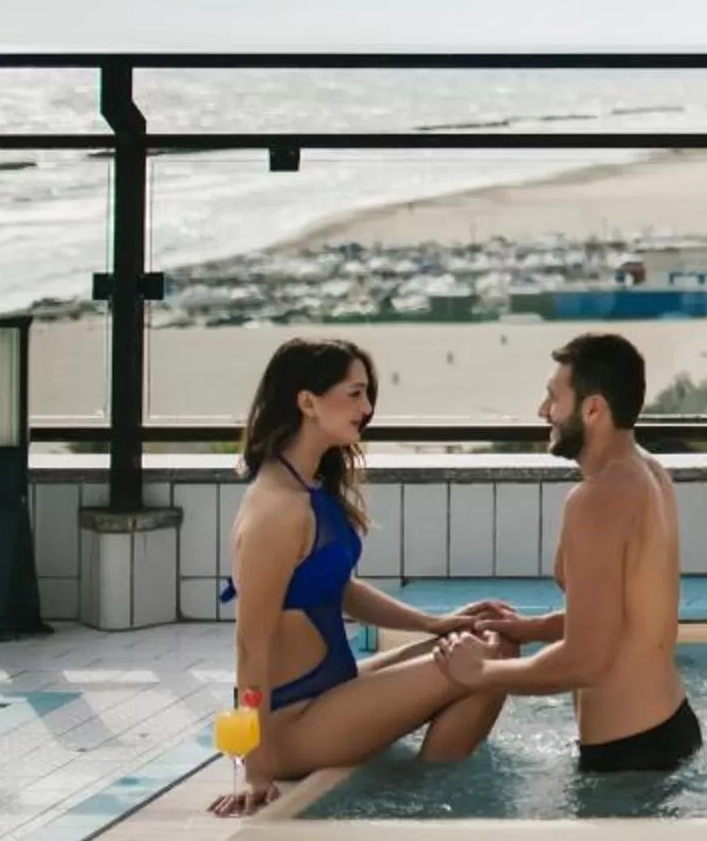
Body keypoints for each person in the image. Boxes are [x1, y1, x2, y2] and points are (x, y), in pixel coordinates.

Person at [213, 337, 523, 816]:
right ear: (308, 402)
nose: (367, 407)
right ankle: (431, 798)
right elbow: (249, 645)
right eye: (354, 394)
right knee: (483, 659)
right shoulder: (277, 509)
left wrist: (434, 624)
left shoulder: (307, 486)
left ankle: (435, 778)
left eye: (367, 394)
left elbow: (340, 588)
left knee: (486, 635)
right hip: (293, 724)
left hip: (333, 692)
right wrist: (256, 766)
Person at [437, 333, 698, 773]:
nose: (543, 412)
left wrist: (480, 673)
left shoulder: (598, 498)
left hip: (628, 758)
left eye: (552, 398)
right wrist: (532, 628)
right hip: (667, 729)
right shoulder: (649, 473)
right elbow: (630, 617)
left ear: (592, 409)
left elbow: (585, 660)